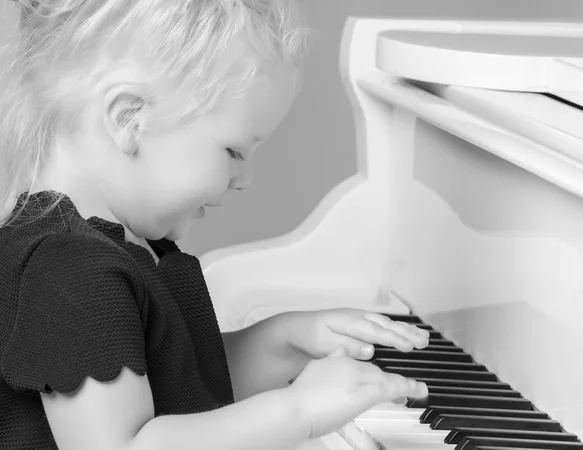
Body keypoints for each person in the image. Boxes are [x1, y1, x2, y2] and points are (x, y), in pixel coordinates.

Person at [0, 1, 430, 449]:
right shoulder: (70, 272)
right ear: (129, 119)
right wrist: (299, 411)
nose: (246, 180)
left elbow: (180, 386)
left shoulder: (117, 248)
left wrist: (283, 343)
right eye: (234, 152)